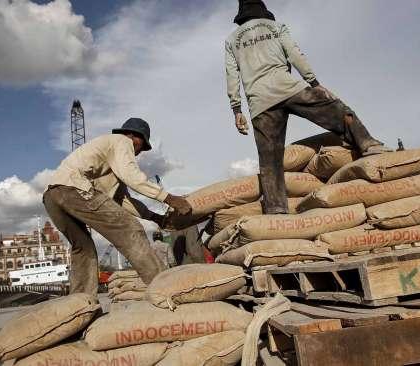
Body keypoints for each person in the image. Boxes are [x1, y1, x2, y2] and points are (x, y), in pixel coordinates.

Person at [225, 0, 392, 214]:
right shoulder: (276, 27)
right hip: (290, 88)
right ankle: (368, 144)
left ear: (241, 15)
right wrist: (315, 84)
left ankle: (276, 209)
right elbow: (295, 54)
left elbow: (232, 75)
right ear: (262, 10)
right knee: (339, 112)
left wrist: (236, 109)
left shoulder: (232, 40)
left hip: (260, 103)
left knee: (270, 160)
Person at [43, 118, 192, 296]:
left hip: (52, 196)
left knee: (83, 248)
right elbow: (131, 174)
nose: (138, 153)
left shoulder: (109, 161)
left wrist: (155, 217)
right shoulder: (122, 141)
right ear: (136, 137)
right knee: (130, 229)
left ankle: (81, 302)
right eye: (141, 147)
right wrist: (168, 198)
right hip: (73, 189)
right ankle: (165, 288)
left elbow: (123, 201)